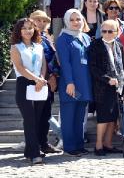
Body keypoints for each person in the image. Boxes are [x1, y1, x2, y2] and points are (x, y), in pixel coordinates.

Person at [10, 18, 48, 165]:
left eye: (30, 28)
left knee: (38, 119)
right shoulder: (16, 47)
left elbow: (43, 65)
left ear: (35, 30)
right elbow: (20, 68)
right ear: (19, 31)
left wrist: (42, 79)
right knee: (30, 120)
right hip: (24, 83)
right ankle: (34, 153)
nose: (28, 31)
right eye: (24, 28)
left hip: (40, 83)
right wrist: (36, 79)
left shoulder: (39, 46)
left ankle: (28, 150)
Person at [55, 9, 93, 157]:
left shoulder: (85, 37)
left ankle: (79, 144)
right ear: (66, 21)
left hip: (84, 83)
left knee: (79, 117)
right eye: (72, 20)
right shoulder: (63, 38)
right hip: (70, 83)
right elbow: (65, 63)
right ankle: (70, 147)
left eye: (78, 19)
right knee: (69, 116)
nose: (76, 22)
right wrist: (70, 83)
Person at [88, 20, 124, 156]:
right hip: (102, 87)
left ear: (116, 32)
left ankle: (108, 144)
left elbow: (123, 67)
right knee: (103, 117)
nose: (107, 34)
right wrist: (107, 79)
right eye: (104, 31)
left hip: (117, 87)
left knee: (113, 117)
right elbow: (93, 68)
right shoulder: (95, 45)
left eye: (110, 31)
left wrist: (122, 86)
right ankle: (98, 145)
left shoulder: (119, 46)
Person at [29, 11, 62, 153]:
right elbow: (36, 61)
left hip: (49, 80)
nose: (41, 23)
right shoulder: (31, 38)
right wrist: (49, 76)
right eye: (38, 20)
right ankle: (34, 145)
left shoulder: (46, 37)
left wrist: (54, 75)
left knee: (46, 114)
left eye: (44, 21)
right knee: (37, 115)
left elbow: (53, 58)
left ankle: (43, 143)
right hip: (37, 80)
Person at [103, 0, 124, 66]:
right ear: (106, 10)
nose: (114, 10)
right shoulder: (103, 27)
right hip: (111, 64)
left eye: (116, 8)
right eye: (111, 8)